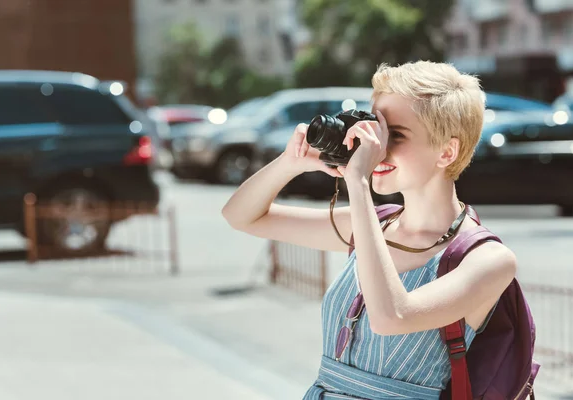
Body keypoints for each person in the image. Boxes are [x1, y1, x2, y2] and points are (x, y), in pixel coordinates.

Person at [221, 61, 517, 399]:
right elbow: (241, 216)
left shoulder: (488, 260)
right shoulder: (375, 223)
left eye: (396, 135)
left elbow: (391, 316)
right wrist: (291, 162)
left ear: (446, 152)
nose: (374, 146)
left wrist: (359, 181)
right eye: (374, 128)